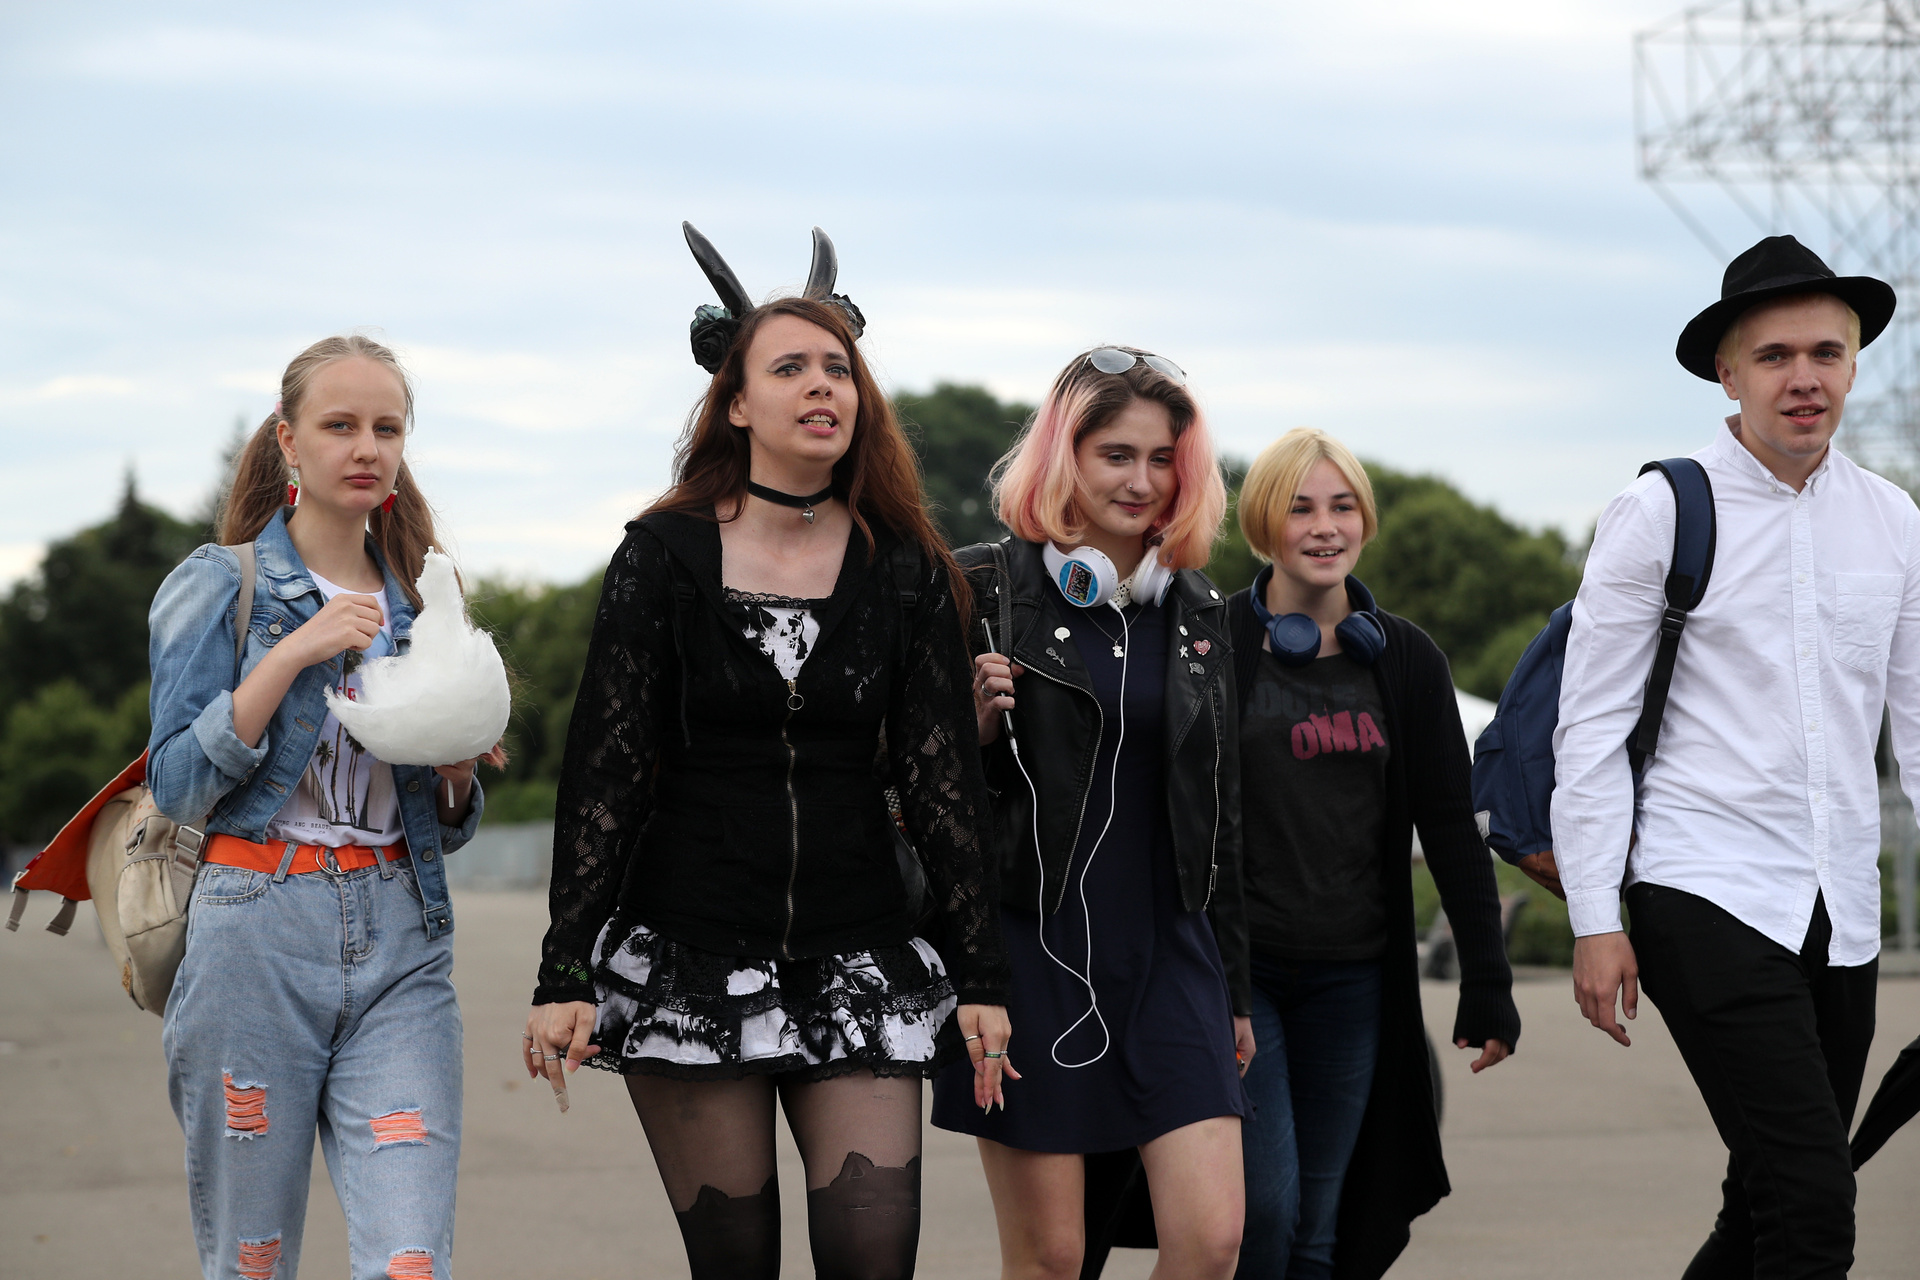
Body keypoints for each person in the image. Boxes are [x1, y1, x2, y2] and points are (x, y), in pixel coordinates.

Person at [524, 226, 1012, 1280]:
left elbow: (942, 781)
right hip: (692, 952)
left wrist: (982, 970)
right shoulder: (662, 556)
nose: (822, 384)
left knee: (873, 1256)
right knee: (735, 1264)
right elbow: (604, 775)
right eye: (790, 367)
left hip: (859, 950)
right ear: (737, 403)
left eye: (839, 367)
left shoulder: (906, 567)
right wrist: (564, 966)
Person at [1558, 233, 1911, 1278]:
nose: (1804, 377)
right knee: (1814, 1210)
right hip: (1701, 884)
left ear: (1853, 365)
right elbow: (1591, 728)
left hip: (1842, 907)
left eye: (1826, 352)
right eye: (1774, 356)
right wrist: (1594, 918)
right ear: (1728, 372)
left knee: (1766, 1202)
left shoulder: (1895, 522)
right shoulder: (1660, 511)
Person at [148, 334, 497, 1280]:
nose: (367, 448)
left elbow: (448, 817)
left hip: (402, 932)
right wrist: (295, 651)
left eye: (388, 428)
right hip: (255, 931)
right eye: (340, 425)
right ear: (288, 440)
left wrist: (457, 771)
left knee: (410, 1261)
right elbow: (177, 784)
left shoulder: (424, 604)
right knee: (253, 1260)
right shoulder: (219, 583)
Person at [932, 345, 1252, 1280]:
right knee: (1053, 1258)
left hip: (1172, 956)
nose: (1142, 482)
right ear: (1064, 458)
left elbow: (1221, 812)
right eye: (1117, 455)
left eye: (1162, 460)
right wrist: (971, 733)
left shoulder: (1196, 612)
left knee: (1212, 1241)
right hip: (1027, 952)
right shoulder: (982, 590)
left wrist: (1234, 988)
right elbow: (911, 790)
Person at [1225, 427, 1519, 1280]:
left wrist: (1488, 979)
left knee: (1324, 1226)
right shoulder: (1213, 642)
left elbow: (1452, 825)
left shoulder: (1408, 659)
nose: (1325, 527)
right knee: (1264, 1211)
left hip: (1355, 978)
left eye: (1343, 506)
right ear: (1264, 523)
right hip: (1240, 978)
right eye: (1300, 508)